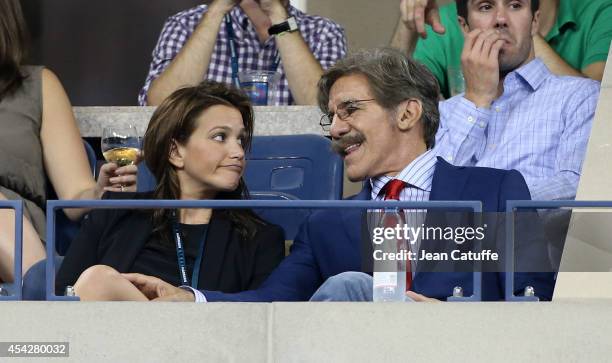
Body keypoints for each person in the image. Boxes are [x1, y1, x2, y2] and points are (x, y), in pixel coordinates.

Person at [121, 48, 555, 303]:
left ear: (406, 113)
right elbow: (269, 304)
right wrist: (187, 297)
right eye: (331, 117)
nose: (337, 129)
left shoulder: (493, 191)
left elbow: (533, 302)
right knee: (348, 286)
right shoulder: (327, 223)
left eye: (350, 110)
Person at [55, 81, 285, 301]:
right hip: (108, 336)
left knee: (99, 282)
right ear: (175, 151)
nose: (238, 152)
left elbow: (259, 317)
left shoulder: (261, 237)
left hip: (207, 338)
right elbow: (59, 295)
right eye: (220, 137)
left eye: (240, 140)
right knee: (97, 282)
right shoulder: (113, 213)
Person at [392, 0, 601, 201]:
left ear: (534, 21)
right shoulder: (442, 114)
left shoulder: (580, 96)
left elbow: (577, 189)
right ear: (464, 26)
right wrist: (476, 99)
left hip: (530, 237)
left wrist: (489, 204)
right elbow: (422, 198)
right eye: (485, 6)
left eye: (515, 5)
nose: (500, 19)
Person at [0, 0, 137, 283]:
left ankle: (41, 287)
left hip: (15, 237)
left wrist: (101, 190)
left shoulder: (37, 85)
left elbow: (75, 197)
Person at [139, 0, 347, 106]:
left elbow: (324, 111)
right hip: (205, 171)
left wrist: (276, 12)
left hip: (289, 166)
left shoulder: (324, 32)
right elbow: (160, 105)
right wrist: (218, 9)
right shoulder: (185, 24)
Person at [391, 0, 612, 98]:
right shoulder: (448, 21)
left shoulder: (600, 9)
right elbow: (391, 103)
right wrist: (409, 22)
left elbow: (598, 109)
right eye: (486, 6)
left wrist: (519, 28)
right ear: (463, 24)